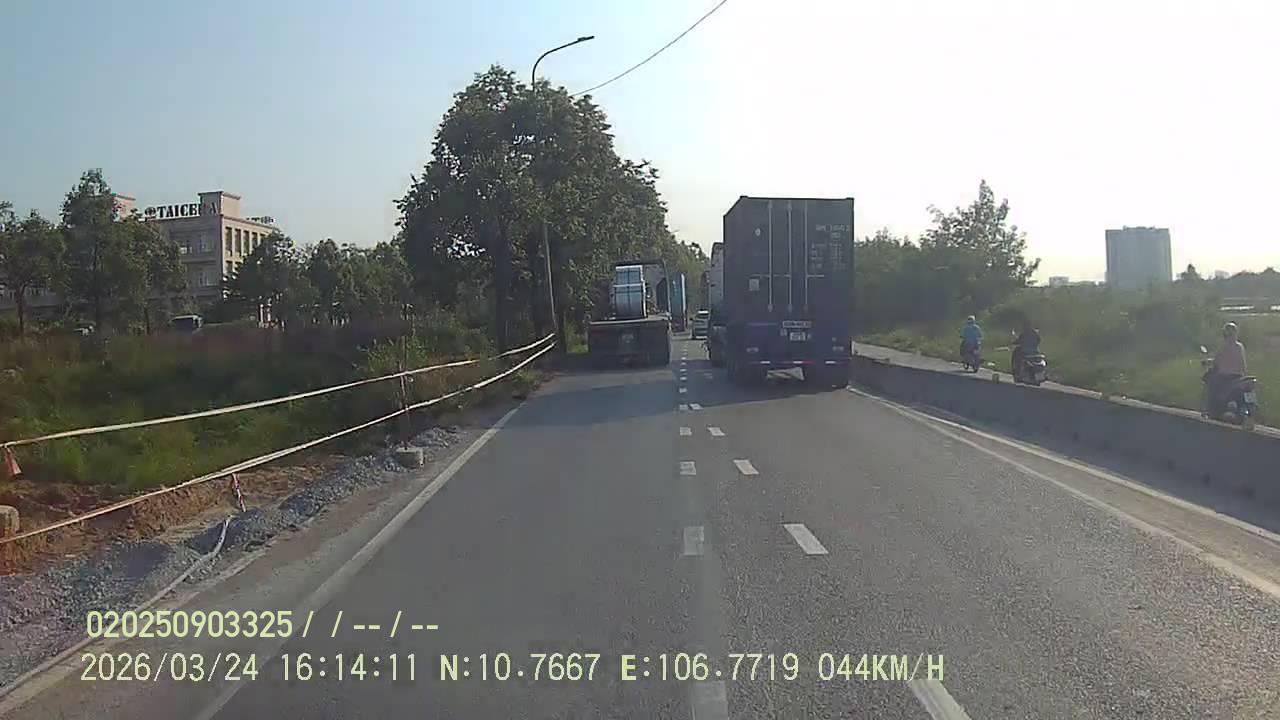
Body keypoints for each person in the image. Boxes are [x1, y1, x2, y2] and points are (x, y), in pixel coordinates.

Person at [1206, 322, 1247, 413]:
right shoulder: (1240, 346)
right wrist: (1244, 374)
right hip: (1239, 377)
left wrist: (1209, 362)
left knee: (1213, 387)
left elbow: (1216, 361)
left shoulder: (1223, 346)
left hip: (1225, 377)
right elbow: (1243, 363)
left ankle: (1213, 410)